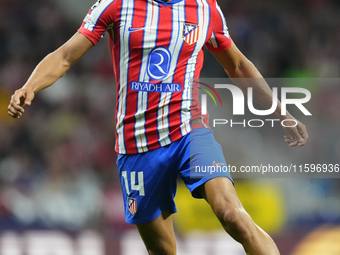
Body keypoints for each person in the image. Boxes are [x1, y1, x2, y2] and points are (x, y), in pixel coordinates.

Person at [8, 0, 309, 254]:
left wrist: (282, 112)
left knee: (233, 215)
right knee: (162, 251)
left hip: (189, 131)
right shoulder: (118, 5)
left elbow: (238, 65)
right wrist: (30, 86)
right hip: (137, 146)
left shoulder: (205, 8)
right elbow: (65, 55)